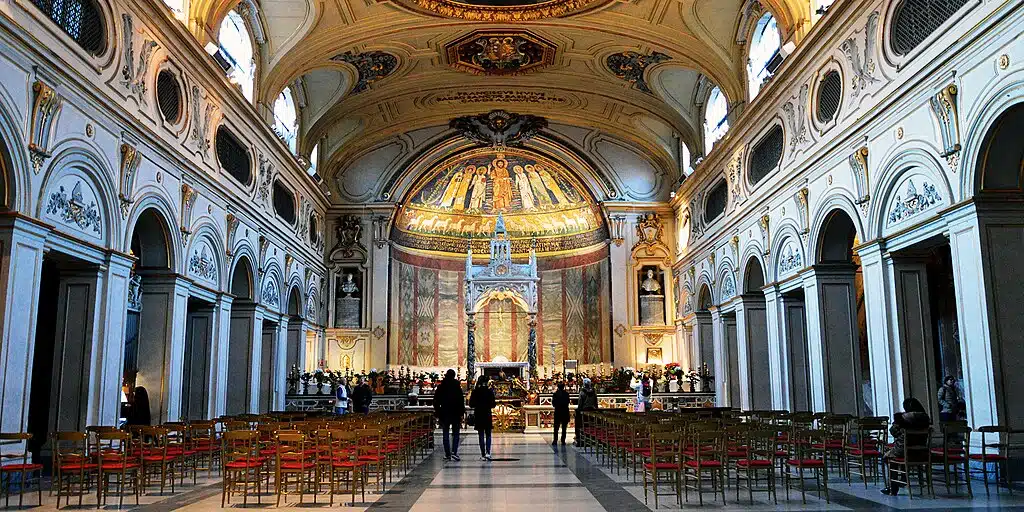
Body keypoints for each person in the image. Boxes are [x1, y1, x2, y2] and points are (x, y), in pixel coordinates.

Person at [881, 397, 931, 495]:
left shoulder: (903, 418)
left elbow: (893, 432)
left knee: (888, 458)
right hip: (921, 451)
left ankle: (893, 487)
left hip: (903, 449)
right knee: (899, 454)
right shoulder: (926, 418)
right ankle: (904, 478)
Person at [434, 369, 465, 461]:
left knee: (445, 433)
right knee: (455, 434)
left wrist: (438, 411)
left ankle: (447, 453)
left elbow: (436, 400)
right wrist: (461, 413)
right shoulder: (457, 386)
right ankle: (454, 452)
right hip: (455, 413)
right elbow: (460, 401)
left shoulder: (441, 386)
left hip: (444, 413)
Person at [469, 375, 496, 461]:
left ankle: (483, 454)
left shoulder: (475, 391)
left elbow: (471, 404)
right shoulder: (489, 391)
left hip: (479, 414)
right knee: (488, 434)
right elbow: (493, 404)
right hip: (487, 414)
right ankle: (488, 453)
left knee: (480, 435)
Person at [575, 378, 598, 446]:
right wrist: (596, 409)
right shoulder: (593, 392)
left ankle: (583, 439)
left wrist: (579, 409)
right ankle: (592, 439)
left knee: (583, 425)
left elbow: (580, 402)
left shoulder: (582, 392)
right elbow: (595, 402)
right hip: (592, 411)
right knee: (591, 425)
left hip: (584, 411)